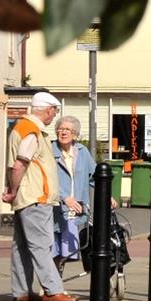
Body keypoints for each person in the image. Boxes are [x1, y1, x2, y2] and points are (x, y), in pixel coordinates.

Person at [3, 92, 78, 301]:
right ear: (48, 110)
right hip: (36, 196)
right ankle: (53, 290)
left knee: (22, 246)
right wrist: (12, 190)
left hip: (26, 196)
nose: (54, 116)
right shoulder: (32, 131)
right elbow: (20, 163)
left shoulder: (21, 128)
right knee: (41, 245)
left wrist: (13, 190)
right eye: (54, 111)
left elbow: (16, 164)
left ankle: (22, 291)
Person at [51, 115, 96, 277]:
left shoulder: (82, 152)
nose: (63, 132)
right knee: (53, 248)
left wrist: (107, 194)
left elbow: (95, 176)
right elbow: (46, 179)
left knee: (67, 250)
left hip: (74, 210)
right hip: (54, 208)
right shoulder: (50, 150)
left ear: (75, 134)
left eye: (67, 130)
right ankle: (51, 285)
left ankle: (54, 283)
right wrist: (64, 197)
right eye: (60, 129)